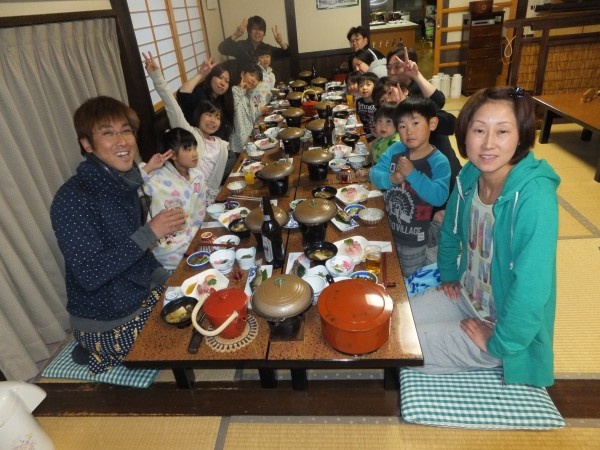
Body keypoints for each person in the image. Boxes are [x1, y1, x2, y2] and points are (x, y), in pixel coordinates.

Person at [408, 87, 560, 387]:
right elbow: (450, 230)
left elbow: (532, 287)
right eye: (479, 130)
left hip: (501, 327)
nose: (488, 144)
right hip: (466, 295)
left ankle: (500, 362)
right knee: (394, 322)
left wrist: (499, 343)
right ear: (465, 135)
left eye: (502, 131)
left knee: (400, 349)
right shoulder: (470, 175)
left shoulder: (535, 198)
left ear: (521, 136)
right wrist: (449, 275)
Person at [50, 96, 182, 373]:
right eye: (108, 133)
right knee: (175, 337)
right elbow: (89, 275)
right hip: (106, 318)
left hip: (136, 291)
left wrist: (169, 281)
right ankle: (96, 350)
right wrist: (150, 233)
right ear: (87, 144)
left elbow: (138, 253)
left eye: (127, 131)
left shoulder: (123, 184)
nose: (123, 141)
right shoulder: (72, 199)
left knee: (191, 300)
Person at [370, 96, 450, 277]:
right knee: (388, 271)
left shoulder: (438, 161)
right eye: (402, 126)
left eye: (415, 123)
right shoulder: (395, 150)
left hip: (415, 238)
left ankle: (436, 234)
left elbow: (439, 197)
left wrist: (412, 174)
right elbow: (375, 173)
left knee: (411, 275)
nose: (409, 132)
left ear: (432, 124)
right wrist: (391, 178)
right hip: (388, 227)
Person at [143, 52, 229, 200]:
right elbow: (171, 104)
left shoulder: (220, 144)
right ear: (198, 116)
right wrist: (156, 76)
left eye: (217, 117)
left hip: (214, 195)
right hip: (193, 196)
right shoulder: (191, 134)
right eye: (208, 115)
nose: (213, 121)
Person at [140, 128, 207, 271]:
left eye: (194, 148)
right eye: (188, 149)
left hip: (194, 238)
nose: (194, 153)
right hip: (168, 249)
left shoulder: (198, 177)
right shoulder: (156, 178)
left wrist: (199, 237)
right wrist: (148, 167)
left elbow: (200, 212)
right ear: (173, 155)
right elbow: (130, 189)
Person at [175, 58, 235, 141]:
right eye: (220, 77)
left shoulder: (223, 100)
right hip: (198, 143)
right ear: (210, 77)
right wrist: (200, 74)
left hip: (218, 145)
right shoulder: (201, 95)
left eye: (226, 81)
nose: (222, 83)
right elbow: (182, 94)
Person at [218, 16, 289, 67]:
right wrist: (236, 35)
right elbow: (222, 49)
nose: (258, 32)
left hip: (264, 82)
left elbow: (287, 53)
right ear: (249, 31)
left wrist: (280, 42)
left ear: (264, 33)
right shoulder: (241, 46)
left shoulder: (266, 48)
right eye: (254, 29)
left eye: (260, 29)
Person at [354, 72, 381, 140]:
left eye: (368, 84)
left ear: (375, 86)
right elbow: (357, 117)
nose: (364, 88)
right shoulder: (358, 102)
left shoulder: (379, 103)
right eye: (361, 85)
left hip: (375, 136)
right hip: (360, 133)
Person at [249, 44, 276, 111]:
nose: (265, 59)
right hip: (255, 107)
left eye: (267, 57)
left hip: (267, 106)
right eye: (262, 57)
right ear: (257, 59)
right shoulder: (255, 72)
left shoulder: (272, 75)